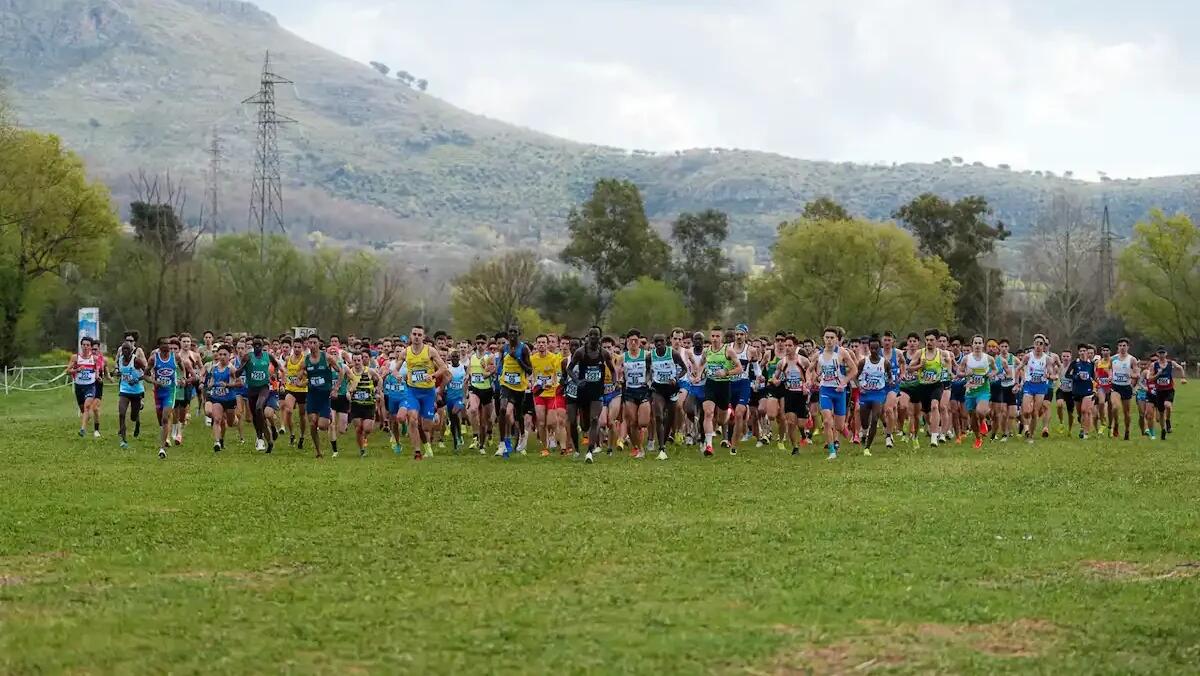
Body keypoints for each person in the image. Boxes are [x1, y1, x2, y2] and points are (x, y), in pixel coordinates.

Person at [400, 325, 450, 460]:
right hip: (412, 391)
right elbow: (395, 369)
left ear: (423, 337)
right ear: (411, 336)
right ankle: (417, 451)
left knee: (426, 426)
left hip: (428, 393)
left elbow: (444, 368)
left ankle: (427, 445)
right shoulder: (405, 352)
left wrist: (433, 375)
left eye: (419, 335)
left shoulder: (431, 351)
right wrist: (396, 374)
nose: (416, 337)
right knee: (412, 419)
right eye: (414, 334)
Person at [233, 336, 286, 454]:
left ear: (262, 346)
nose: (257, 347)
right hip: (251, 389)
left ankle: (261, 437)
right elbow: (237, 373)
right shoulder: (248, 357)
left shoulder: (268, 356)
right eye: (255, 345)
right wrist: (244, 365)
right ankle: (267, 439)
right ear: (252, 346)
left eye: (259, 345)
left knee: (258, 408)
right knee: (256, 416)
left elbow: (276, 365)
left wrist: (274, 374)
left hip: (264, 387)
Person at [571, 327, 616, 463]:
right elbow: (569, 369)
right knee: (585, 425)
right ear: (588, 336)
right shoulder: (580, 352)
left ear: (599, 337)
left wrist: (614, 383)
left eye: (596, 335)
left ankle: (589, 451)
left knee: (595, 419)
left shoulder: (604, 353)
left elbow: (613, 370)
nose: (593, 337)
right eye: (591, 335)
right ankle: (586, 435)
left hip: (597, 391)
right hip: (583, 391)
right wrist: (577, 381)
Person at [815, 327, 858, 459]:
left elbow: (854, 369)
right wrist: (812, 379)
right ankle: (832, 451)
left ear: (837, 339)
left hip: (839, 392)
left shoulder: (842, 352)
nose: (829, 340)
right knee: (827, 421)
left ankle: (849, 435)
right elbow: (811, 370)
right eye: (827, 337)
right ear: (823, 339)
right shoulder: (818, 354)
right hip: (825, 390)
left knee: (839, 426)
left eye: (832, 338)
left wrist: (844, 381)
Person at [699, 327, 742, 456]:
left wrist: (726, 372)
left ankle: (728, 412)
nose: (715, 339)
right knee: (708, 413)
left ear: (721, 337)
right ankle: (709, 445)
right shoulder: (706, 351)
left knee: (721, 421)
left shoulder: (728, 351)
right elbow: (701, 364)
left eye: (717, 336)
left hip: (724, 385)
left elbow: (740, 368)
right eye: (713, 336)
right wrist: (699, 374)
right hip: (710, 384)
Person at [148, 337, 193, 459]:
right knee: (160, 419)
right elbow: (145, 375)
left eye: (168, 344)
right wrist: (154, 382)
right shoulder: (154, 359)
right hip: (158, 393)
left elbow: (183, 369)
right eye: (163, 344)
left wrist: (183, 379)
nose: (166, 346)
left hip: (170, 391)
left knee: (165, 418)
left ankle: (162, 448)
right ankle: (164, 434)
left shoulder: (175, 357)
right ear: (159, 346)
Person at [334, 349, 381, 457]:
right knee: (359, 428)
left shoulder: (369, 371)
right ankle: (362, 450)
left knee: (367, 428)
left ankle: (365, 437)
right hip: (355, 404)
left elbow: (380, 379)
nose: (357, 362)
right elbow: (345, 383)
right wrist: (347, 392)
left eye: (359, 360)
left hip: (369, 404)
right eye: (354, 360)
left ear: (362, 360)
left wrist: (377, 391)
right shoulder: (349, 371)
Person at [648, 333, 687, 460]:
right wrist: (648, 380)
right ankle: (661, 448)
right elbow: (647, 370)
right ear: (653, 343)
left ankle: (663, 443)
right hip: (658, 388)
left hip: (672, 389)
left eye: (661, 341)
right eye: (656, 342)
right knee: (658, 416)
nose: (659, 344)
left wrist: (676, 378)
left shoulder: (673, 354)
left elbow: (684, 369)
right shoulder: (650, 356)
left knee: (670, 419)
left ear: (666, 342)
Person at [620, 329, 653, 459]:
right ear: (627, 342)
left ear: (639, 342)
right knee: (633, 422)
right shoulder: (623, 357)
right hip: (630, 391)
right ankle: (639, 448)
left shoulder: (647, 355)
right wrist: (618, 378)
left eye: (635, 340)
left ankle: (644, 442)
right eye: (630, 341)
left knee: (643, 423)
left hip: (643, 390)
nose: (633, 343)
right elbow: (616, 371)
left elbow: (654, 368)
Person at [530, 334, 564, 457]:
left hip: (551, 393)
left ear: (547, 344)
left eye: (543, 342)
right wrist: (532, 383)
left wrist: (554, 384)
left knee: (551, 422)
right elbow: (530, 374)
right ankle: (545, 448)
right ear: (536, 344)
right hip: (539, 393)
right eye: (539, 342)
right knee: (541, 422)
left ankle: (556, 439)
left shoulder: (554, 358)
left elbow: (559, 374)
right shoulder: (532, 359)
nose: (541, 345)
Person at [856, 334, 890, 455]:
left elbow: (890, 377)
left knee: (875, 419)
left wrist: (890, 381)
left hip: (878, 393)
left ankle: (867, 447)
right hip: (865, 394)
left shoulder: (885, 363)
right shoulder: (863, 362)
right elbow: (856, 377)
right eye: (872, 348)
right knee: (864, 421)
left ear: (880, 348)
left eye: (876, 348)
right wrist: (860, 387)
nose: (874, 351)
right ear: (869, 348)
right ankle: (864, 432)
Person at [960, 335, 995, 449]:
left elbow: (995, 370)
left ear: (983, 345)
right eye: (975, 343)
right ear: (972, 345)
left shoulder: (988, 358)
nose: (977, 345)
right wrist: (966, 373)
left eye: (980, 343)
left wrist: (991, 374)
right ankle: (978, 438)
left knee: (980, 411)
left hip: (983, 390)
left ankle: (983, 420)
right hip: (970, 391)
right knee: (972, 417)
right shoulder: (966, 359)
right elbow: (959, 372)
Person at [302, 334, 334, 458]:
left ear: (319, 343)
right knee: (312, 423)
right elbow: (300, 372)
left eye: (315, 342)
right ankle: (318, 451)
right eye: (310, 343)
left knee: (322, 426)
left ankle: (328, 417)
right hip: (312, 395)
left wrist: (336, 388)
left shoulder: (327, 357)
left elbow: (340, 371)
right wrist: (300, 380)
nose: (312, 345)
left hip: (324, 395)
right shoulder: (306, 359)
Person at [204, 344, 240, 453]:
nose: (222, 357)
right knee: (217, 419)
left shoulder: (231, 369)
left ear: (229, 356)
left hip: (229, 399)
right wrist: (210, 385)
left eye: (225, 354)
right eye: (220, 354)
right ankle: (217, 442)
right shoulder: (214, 368)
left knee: (230, 423)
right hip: (217, 398)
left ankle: (234, 421)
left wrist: (228, 385)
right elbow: (211, 381)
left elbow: (240, 383)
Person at [1018, 334, 1053, 443]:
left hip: (1041, 386)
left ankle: (1031, 435)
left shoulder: (1047, 359)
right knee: (1026, 411)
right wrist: (1016, 382)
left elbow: (1051, 371)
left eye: (1041, 344)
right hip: (1029, 385)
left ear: (1044, 346)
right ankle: (1026, 426)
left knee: (1035, 412)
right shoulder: (1028, 356)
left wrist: (1050, 375)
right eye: (1036, 343)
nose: (1038, 346)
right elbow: (1019, 368)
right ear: (1033, 344)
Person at [67, 336, 103, 439]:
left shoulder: (94, 359)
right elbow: (67, 371)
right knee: (83, 409)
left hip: (90, 386)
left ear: (91, 347)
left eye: (88, 345)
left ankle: (82, 429)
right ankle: (86, 418)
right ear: (81, 346)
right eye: (84, 345)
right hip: (79, 387)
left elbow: (96, 370)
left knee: (87, 406)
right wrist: (77, 370)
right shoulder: (75, 358)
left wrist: (97, 377)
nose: (85, 347)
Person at [115, 333, 146, 449]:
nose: (125, 351)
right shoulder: (120, 359)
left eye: (127, 349)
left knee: (133, 416)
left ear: (131, 350)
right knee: (122, 413)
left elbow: (147, 372)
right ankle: (123, 439)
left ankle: (137, 423)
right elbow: (118, 370)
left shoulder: (136, 360)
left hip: (136, 391)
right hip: (124, 390)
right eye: (123, 349)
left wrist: (137, 379)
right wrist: (117, 373)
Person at [467, 333, 496, 452]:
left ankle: (483, 443)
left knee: (486, 420)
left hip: (487, 389)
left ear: (486, 344)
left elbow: (493, 370)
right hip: (475, 388)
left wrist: (487, 373)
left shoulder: (490, 357)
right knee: (473, 409)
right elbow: (469, 371)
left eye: (482, 343)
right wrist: (467, 377)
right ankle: (475, 436)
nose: (480, 345)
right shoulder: (472, 356)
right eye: (478, 343)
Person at [1150, 347, 1186, 440]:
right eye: (1160, 353)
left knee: (1168, 405)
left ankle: (1168, 421)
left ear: (1166, 354)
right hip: (1159, 391)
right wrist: (1158, 374)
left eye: (1163, 353)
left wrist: (1183, 378)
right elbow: (1150, 378)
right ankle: (1163, 430)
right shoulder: (1154, 365)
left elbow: (1180, 368)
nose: (1162, 355)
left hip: (1169, 390)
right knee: (1161, 413)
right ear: (1157, 354)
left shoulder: (1171, 363)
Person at [1109, 338, 1139, 441]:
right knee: (1115, 407)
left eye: (1124, 345)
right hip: (1115, 386)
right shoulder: (1113, 358)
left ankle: (1127, 431)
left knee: (1126, 412)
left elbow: (1137, 374)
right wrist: (1110, 375)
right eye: (1120, 346)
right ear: (1117, 347)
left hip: (1126, 387)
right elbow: (1109, 369)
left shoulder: (1132, 359)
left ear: (1128, 347)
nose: (1122, 347)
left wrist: (1131, 375)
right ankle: (1116, 424)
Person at [282, 339, 308, 448]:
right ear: (293, 347)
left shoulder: (305, 360)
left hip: (302, 390)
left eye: (299, 347)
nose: (297, 349)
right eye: (295, 347)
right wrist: (284, 378)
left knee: (302, 414)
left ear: (302, 348)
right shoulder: (288, 358)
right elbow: (284, 368)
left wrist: (304, 378)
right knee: (288, 410)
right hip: (290, 389)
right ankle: (292, 434)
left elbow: (310, 374)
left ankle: (302, 436)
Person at [1065, 343, 1096, 439]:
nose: (1082, 353)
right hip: (1077, 391)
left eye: (1084, 351)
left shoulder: (1091, 364)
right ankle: (1082, 427)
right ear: (1078, 352)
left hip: (1088, 390)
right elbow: (1067, 375)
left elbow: (1094, 377)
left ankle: (1086, 433)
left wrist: (1094, 386)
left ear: (1087, 352)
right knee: (1080, 413)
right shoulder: (1075, 363)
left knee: (1085, 410)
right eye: (1081, 351)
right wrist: (1077, 376)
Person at [443, 349, 468, 452]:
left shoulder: (464, 368)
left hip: (459, 397)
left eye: (456, 357)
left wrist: (465, 397)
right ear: (450, 358)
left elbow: (466, 383)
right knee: (453, 420)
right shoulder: (447, 368)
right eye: (453, 357)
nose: (455, 359)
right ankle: (456, 439)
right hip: (449, 398)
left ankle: (459, 435)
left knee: (455, 412)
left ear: (459, 358)